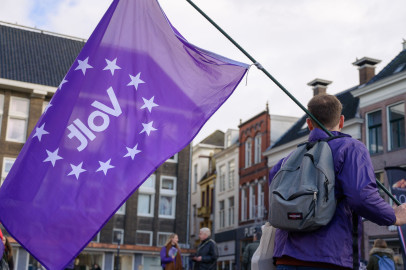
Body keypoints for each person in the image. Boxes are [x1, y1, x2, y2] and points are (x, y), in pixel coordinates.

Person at [268, 94, 406, 269]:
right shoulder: (351, 148)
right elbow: (361, 197)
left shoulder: (286, 160)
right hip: (329, 257)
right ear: (341, 121)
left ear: (309, 123)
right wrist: (394, 216)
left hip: (285, 257)